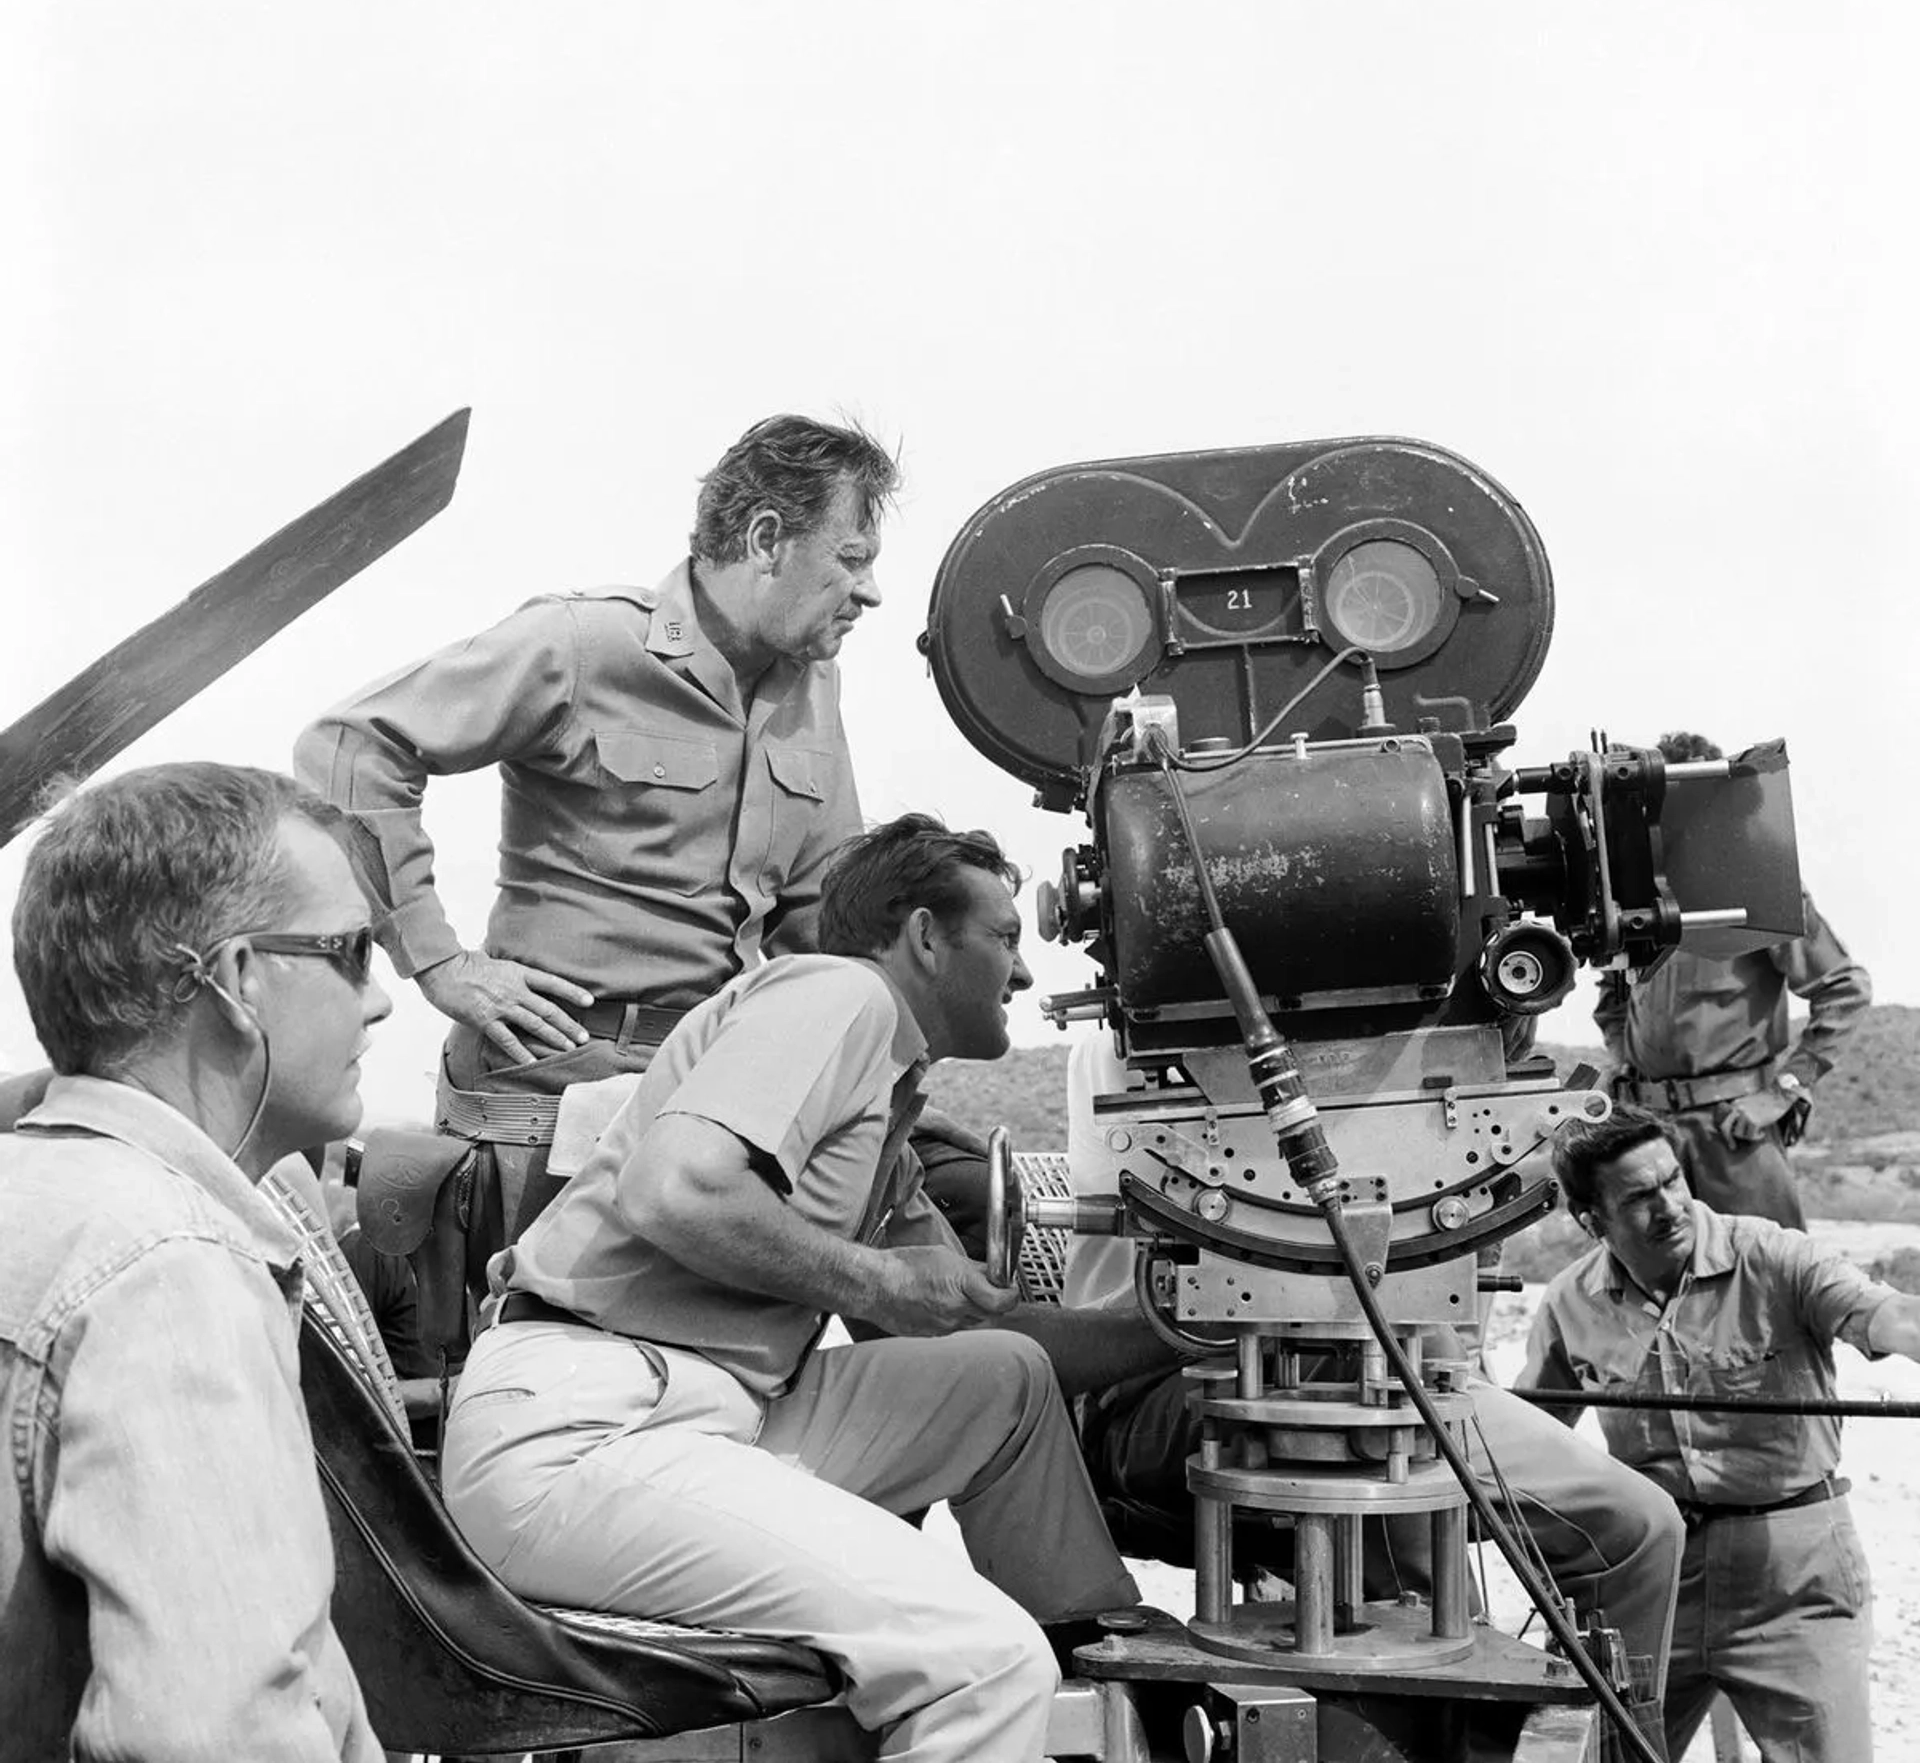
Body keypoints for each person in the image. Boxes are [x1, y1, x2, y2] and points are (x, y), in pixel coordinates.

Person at [438, 816, 1143, 1763]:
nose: (1021, 975)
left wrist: (1181, 1328)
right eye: (1005, 938)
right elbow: (675, 1189)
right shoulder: (838, 994)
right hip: (585, 1437)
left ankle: (1102, 1678)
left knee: (1001, 1379)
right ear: (926, 938)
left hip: (709, 1413)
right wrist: (886, 1280)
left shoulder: (887, 1092)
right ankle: (1012, 1693)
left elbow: (983, 1322)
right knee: (982, 1663)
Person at [293, 412, 896, 1246]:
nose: (870, 593)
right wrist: (436, 961)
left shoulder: (812, 686)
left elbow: (820, 912)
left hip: (715, 1087)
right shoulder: (585, 642)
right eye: (853, 561)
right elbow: (353, 747)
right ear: (766, 540)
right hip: (550, 1100)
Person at [1063, 1029, 1684, 1738]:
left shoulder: (1415, 1044)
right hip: (1174, 1384)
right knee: (1421, 1580)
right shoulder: (1155, 1030)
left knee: (1639, 1529)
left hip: (1374, 1358)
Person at [0, 762, 392, 1760]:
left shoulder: (38, 1196)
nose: (380, 999)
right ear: (236, 977)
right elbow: (217, 1733)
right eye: (351, 951)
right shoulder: (170, 1266)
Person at [1517, 1104, 1920, 1761]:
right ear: (1592, 1220)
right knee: (1595, 1752)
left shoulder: (1775, 1255)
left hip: (1793, 1580)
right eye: (1641, 1197)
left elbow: (1892, 1317)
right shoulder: (1567, 1303)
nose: (1671, 1206)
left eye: (1673, 1181)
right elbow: (1528, 1441)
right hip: (1650, 1583)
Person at [1595, 729, 1870, 1230]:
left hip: (1733, 1133)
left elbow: (1846, 989)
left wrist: (1787, 1088)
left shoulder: (1757, 889)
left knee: (1764, 1285)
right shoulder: (1637, 900)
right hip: (1648, 1137)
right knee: (1652, 1293)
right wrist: (1621, 1059)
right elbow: (1612, 996)